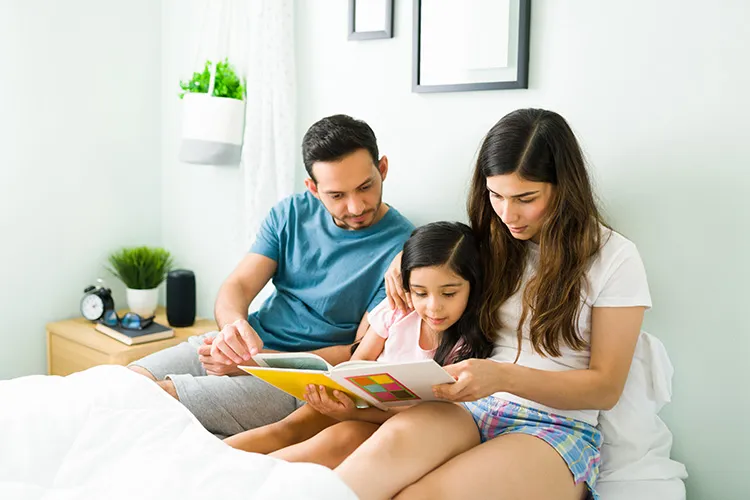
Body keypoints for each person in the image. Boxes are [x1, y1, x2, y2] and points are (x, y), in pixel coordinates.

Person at [334, 109, 652, 500]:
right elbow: (438, 256)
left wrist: (502, 377)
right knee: (352, 482)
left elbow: (605, 388)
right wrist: (402, 260)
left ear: (564, 187)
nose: (508, 214)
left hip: (553, 428)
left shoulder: (614, 258)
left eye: (526, 198)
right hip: (467, 408)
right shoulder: (491, 241)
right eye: (496, 196)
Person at [128, 114, 415, 438]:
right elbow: (237, 285)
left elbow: (356, 352)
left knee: (156, 401)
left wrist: (257, 362)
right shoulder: (292, 212)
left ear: (383, 169)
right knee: (125, 384)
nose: (356, 206)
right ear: (313, 189)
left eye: (366, 187)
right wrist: (234, 331)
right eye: (337, 195)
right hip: (250, 348)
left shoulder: (404, 252)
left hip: (301, 379)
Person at [223, 222, 493, 468]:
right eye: (420, 293)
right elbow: (359, 361)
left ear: (473, 285)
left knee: (341, 437)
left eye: (449, 293)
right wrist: (336, 391)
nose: (433, 306)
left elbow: (427, 415)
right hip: (357, 401)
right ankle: (200, 465)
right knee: (284, 430)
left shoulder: (467, 347)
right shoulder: (398, 311)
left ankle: (243, 480)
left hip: (392, 423)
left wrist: (355, 413)